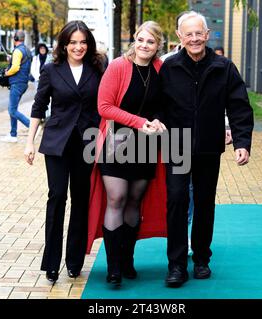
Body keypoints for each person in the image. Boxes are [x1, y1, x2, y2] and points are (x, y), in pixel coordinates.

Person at [159, 11, 254, 287]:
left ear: (207, 35)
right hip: (176, 145)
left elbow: (239, 107)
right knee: (176, 201)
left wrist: (242, 143)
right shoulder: (169, 67)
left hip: (209, 147)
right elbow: (157, 106)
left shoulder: (224, 67)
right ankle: (176, 265)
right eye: (188, 34)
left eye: (199, 33)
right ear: (180, 37)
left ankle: (201, 258)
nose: (194, 38)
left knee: (203, 203)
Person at [86, 21, 167, 287]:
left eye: (151, 42)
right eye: (141, 40)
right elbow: (104, 106)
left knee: (134, 201)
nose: (145, 45)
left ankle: (127, 259)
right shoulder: (118, 66)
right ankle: (113, 267)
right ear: (135, 40)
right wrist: (138, 122)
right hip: (116, 142)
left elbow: (165, 105)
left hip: (146, 146)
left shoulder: (160, 69)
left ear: (158, 46)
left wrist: (157, 121)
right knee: (117, 198)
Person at [24, 20, 105, 284]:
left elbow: (107, 102)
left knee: (81, 201)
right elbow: (38, 106)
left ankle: (74, 261)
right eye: (73, 42)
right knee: (57, 197)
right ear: (64, 44)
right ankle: (51, 263)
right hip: (57, 142)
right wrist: (29, 142)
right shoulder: (51, 70)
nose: (78, 47)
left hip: (87, 143)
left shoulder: (98, 68)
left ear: (88, 44)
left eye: (83, 42)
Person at [1, 30, 32, 143]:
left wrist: (6, 73)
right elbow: (21, 62)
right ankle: (13, 134)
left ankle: (31, 126)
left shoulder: (18, 51)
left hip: (17, 83)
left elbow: (15, 68)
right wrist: (12, 58)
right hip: (23, 83)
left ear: (15, 39)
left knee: (12, 110)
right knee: (13, 109)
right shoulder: (27, 50)